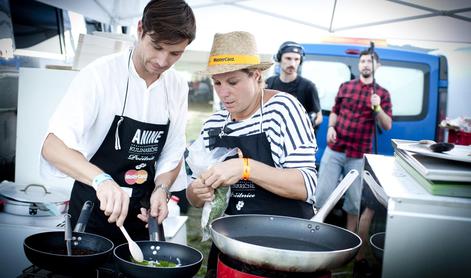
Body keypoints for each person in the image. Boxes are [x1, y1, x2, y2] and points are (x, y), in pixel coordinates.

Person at [39, 0, 196, 245]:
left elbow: (173, 151)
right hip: (91, 212)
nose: (163, 61)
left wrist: (162, 189)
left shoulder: (176, 86)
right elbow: (53, 147)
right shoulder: (100, 75)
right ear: (140, 29)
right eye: (157, 47)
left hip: (144, 215)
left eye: (175, 53)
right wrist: (101, 180)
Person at [185, 31, 318, 277]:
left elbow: (306, 185)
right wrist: (196, 191)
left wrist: (246, 168)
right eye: (217, 83)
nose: (223, 93)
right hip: (231, 246)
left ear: (256, 77)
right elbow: (193, 197)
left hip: (285, 248)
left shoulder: (282, 110)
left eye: (232, 82)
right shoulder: (213, 124)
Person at [315, 49, 392, 241]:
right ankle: (313, 235)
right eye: (363, 61)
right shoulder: (346, 86)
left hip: (359, 156)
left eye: (370, 61)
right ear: (359, 65)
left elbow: (387, 125)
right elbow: (334, 111)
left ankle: (349, 242)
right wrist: (330, 127)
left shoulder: (382, 93)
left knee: (354, 203)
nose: (366, 64)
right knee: (321, 197)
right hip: (335, 150)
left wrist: (378, 107)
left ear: (378, 66)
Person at [266, 41, 323, 130]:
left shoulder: (308, 86)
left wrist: (308, 124)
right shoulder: (269, 83)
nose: (292, 64)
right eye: (288, 58)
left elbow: (319, 116)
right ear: (279, 59)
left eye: (296, 59)